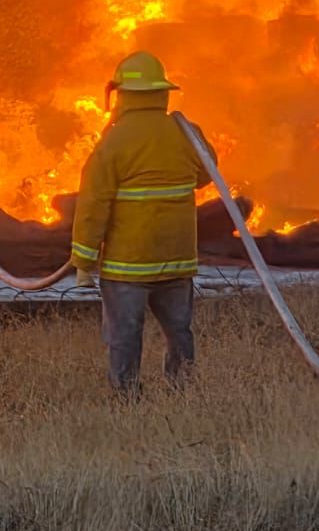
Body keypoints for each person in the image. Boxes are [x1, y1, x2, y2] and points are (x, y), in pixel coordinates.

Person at [70, 50, 216, 394]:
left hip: (128, 266)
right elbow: (206, 175)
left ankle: (126, 396)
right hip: (178, 261)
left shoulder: (114, 142)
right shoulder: (185, 132)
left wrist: (83, 260)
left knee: (125, 335)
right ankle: (183, 391)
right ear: (162, 92)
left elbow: (93, 205)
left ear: (120, 95)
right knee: (179, 330)